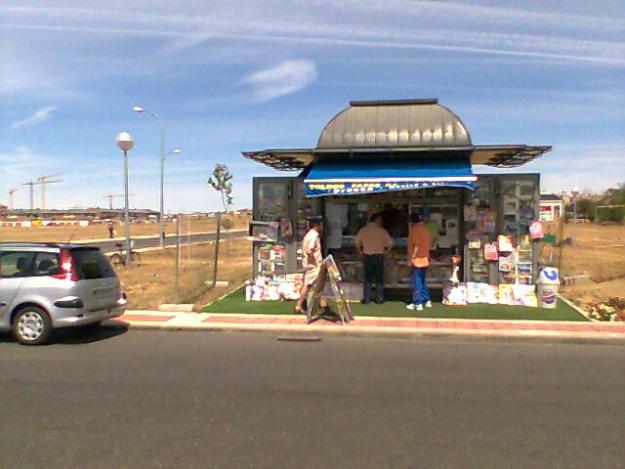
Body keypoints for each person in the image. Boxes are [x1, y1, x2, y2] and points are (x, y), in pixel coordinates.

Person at [355, 212, 393, 304]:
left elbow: (357, 242)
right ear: (377, 220)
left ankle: (367, 299)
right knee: (379, 279)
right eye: (380, 219)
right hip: (379, 256)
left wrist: (360, 252)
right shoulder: (382, 231)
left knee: (367, 279)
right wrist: (386, 252)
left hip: (367, 256)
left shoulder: (363, 230)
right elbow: (390, 243)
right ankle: (379, 298)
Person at [295, 216, 324, 314]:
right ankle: (299, 305)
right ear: (316, 225)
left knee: (318, 283)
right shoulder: (314, 235)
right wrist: (314, 261)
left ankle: (321, 303)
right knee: (308, 285)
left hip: (310, 264)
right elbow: (309, 250)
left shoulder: (308, 235)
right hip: (313, 265)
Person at [407, 212, 432, 311]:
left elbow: (416, 246)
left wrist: (411, 258)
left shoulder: (414, 230)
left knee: (416, 281)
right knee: (422, 280)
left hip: (417, 260)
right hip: (425, 258)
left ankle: (417, 302)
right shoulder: (425, 229)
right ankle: (427, 300)